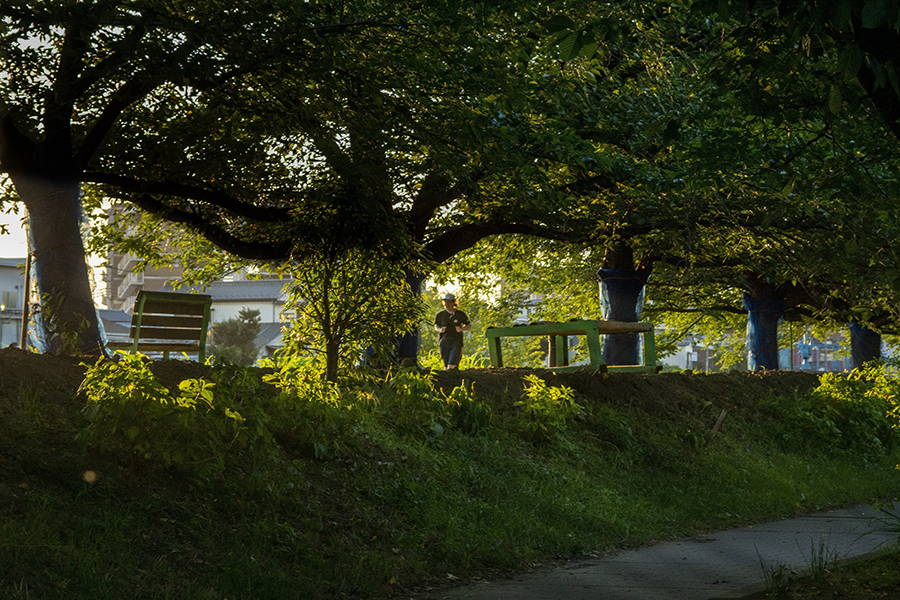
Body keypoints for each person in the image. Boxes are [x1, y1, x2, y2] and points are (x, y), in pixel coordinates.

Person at [434, 293, 471, 369]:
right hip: (444, 342)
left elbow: (468, 325)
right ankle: (450, 380)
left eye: (449, 302)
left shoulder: (460, 314)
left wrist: (461, 329)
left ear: (454, 302)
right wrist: (440, 330)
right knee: (446, 367)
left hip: (456, 342)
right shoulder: (441, 315)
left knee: (452, 366)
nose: (447, 304)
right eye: (446, 302)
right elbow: (436, 325)